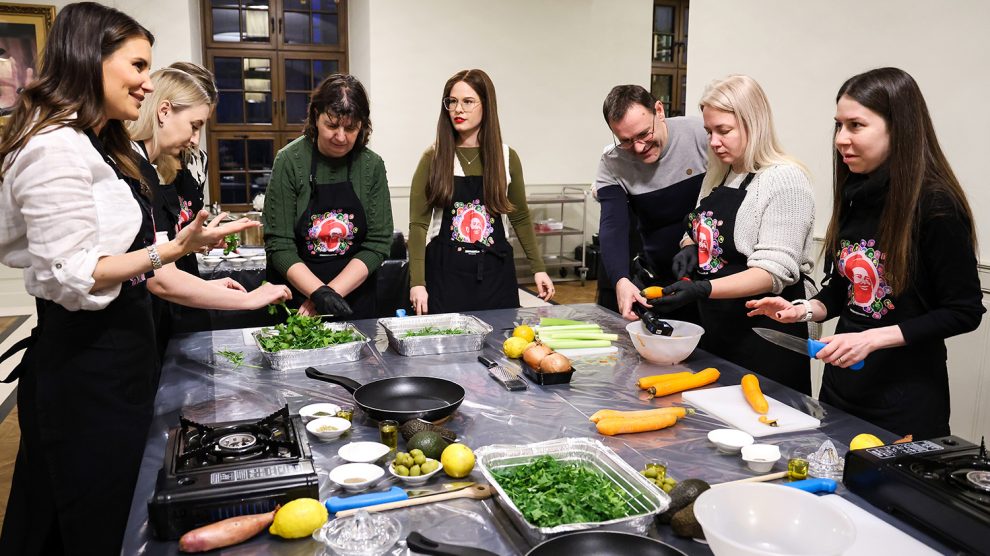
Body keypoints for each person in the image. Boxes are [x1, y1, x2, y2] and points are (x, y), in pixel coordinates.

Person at [0, 3, 267, 553]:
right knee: (89, 524)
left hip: (116, 360)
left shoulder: (97, 143)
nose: (147, 83)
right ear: (91, 59)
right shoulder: (52, 148)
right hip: (83, 370)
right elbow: (77, 272)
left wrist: (179, 246)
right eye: (138, 65)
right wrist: (171, 250)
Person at [747, 67, 984, 437]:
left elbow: (964, 311)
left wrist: (873, 339)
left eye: (856, 125)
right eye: (838, 125)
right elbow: (843, 291)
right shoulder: (856, 193)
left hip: (905, 401)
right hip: (842, 391)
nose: (841, 139)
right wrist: (804, 309)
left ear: (898, 128)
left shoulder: (936, 205)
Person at [652, 75, 816, 395]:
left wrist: (702, 288)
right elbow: (700, 225)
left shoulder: (785, 180)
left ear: (753, 124)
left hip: (764, 338)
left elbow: (772, 272)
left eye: (723, 131)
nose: (713, 141)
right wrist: (688, 247)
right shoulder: (722, 172)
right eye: (709, 132)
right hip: (718, 329)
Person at [126, 65, 294, 355]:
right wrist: (250, 299)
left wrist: (197, 255)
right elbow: (160, 277)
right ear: (164, 111)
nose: (194, 140)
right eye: (195, 125)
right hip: (128, 328)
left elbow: (160, 261)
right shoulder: (133, 171)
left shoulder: (148, 168)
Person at [408, 69, 553, 315]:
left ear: (486, 105)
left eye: (468, 101)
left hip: (495, 276)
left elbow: (519, 217)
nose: (458, 109)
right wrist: (418, 283)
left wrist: (538, 267)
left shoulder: (507, 157)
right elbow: (418, 226)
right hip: (446, 276)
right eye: (452, 102)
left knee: (499, 345)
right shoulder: (434, 157)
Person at [264, 73, 394, 319]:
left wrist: (331, 292)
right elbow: (279, 244)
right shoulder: (290, 161)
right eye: (332, 125)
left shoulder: (371, 166)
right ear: (315, 116)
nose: (341, 137)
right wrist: (316, 293)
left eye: (351, 128)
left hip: (355, 298)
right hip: (297, 300)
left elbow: (378, 243)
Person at [594, 85, 708, 320]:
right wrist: (620, 280)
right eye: (626, 140)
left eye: (644, 134)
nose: (638, 147)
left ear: (659, 110)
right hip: (659, 275)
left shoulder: (701, 135)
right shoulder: (612, 163)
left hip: (711, 276)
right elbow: (613, 226)